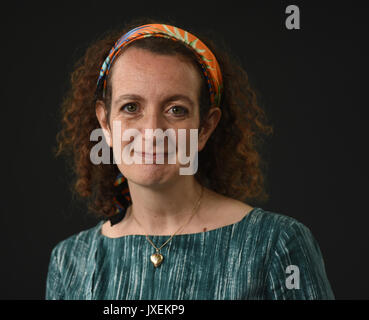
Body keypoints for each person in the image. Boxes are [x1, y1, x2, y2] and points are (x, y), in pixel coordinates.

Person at [46, 18, 335, 299]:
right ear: (105, 124)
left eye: (176, 110)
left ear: (205, 127)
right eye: (131, 107)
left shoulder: (276, 244)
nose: (152, 131)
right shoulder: (70, 261)